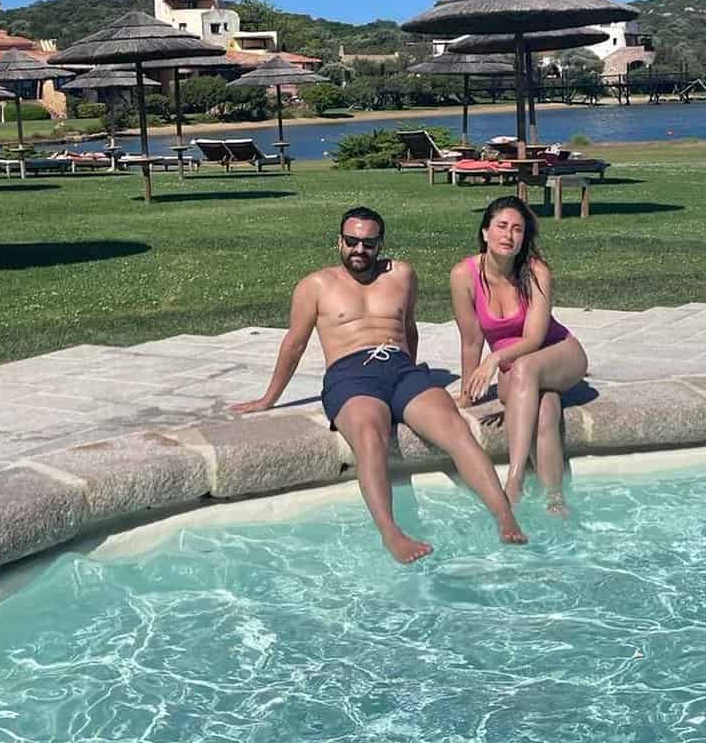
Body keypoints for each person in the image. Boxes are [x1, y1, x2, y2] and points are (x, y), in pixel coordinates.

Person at [232, 206, 526, 562]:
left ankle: (504, 515)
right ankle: (391, 533)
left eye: (368, 243)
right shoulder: (316, 286)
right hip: (350, 375)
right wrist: (268, 398)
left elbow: (409, 329)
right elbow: (294, 345)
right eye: (352, 241)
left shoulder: (402, 275)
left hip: (401, 370)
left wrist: (413, 373)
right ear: (339, 242)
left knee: (455, 429)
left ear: (380, 244)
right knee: (371, 438)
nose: (359, 249)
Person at [450, 195, 588, 513]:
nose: (508, 235)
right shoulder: (464, 275)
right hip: (516, 368)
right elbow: (471, 340)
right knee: (546, 408)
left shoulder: (536, 271)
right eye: (501, 226)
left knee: (525, 368)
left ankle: (514, 480)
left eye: (517, 229)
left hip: (559, 353)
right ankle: (555, 499)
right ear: (485, 231)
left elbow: (535, 338)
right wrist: (467, 395)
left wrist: (494, 359)